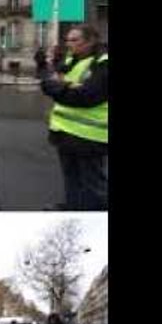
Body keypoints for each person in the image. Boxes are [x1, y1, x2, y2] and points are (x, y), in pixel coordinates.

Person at [36, 23, 108, 210]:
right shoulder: (71, 60)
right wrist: (43, 65)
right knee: (72, 178)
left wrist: (55, 87)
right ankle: (73, 207)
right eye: (68, 40)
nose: (69, 44)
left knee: (93, 184)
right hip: (65, 133)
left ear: (91, 41)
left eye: (75, 40)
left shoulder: (103, 63)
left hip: (90, 136)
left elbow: (85, 97)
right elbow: (49, 78)